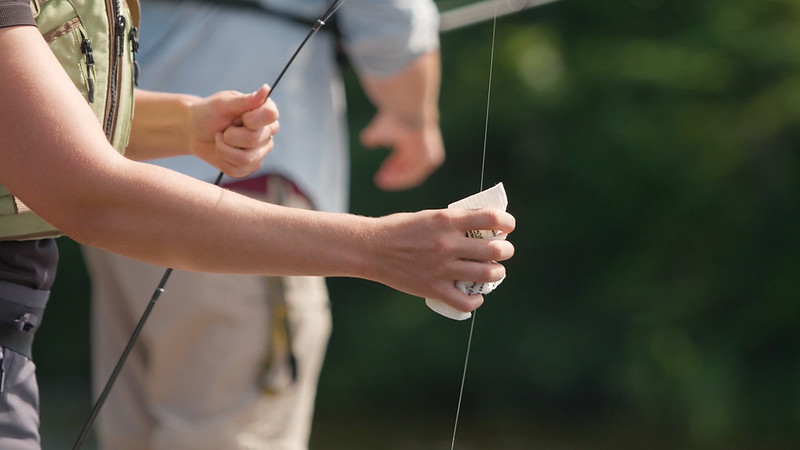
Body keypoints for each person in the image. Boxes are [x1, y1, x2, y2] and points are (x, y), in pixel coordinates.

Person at [0, 0, 515, 448]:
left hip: (124, 224)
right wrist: (411, 129)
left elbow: (54, 131)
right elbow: (89, 196)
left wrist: (186, 124)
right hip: (198, 211)